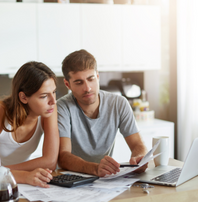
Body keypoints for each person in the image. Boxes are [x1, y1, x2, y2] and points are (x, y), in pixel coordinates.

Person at [57, 49, 148, 177]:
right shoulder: (62, 108)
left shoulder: (119, 103)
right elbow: (63, 156)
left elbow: (138, 144)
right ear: (68, 84)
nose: (87, 88)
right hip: (71, 178)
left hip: (104, 178)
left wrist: (139, 158)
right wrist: (95, 168)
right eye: (79, 82)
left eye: (91, 79)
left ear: (98, 77)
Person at [0, 61, 59, 188]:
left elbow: (50, 162)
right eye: (44, 96)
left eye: (54, 92)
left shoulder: (49, 110)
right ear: (23, 97)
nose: (53, 101)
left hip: (23, 183)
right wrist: (22, 175)